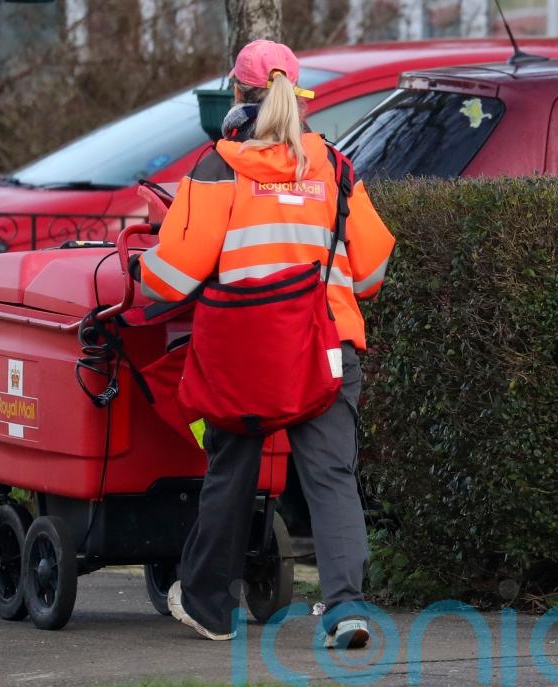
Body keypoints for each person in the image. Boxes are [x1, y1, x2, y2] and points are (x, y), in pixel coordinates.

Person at [136, 39, 395, 648]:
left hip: (244, 354)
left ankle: (208, 606)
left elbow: (170, 278)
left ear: (237, 94)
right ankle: (346, 611)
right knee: (331, 478)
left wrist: (142, 266)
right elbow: (373, 271)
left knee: (232, 472)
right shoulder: (334, 165)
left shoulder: (219, 167)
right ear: (298, 96)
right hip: (326, 347)